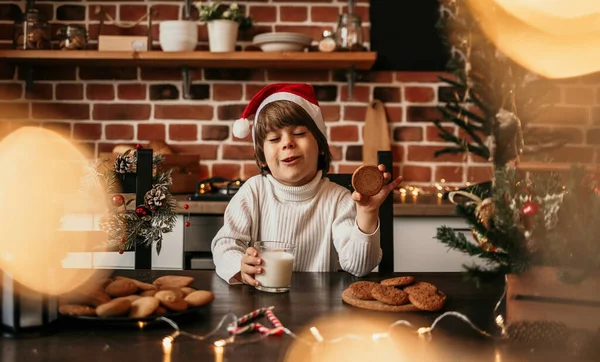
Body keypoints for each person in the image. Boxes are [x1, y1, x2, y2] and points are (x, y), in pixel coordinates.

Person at [211, 83, 402, 285]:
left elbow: (359, 267)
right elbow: (225, 244)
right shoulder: (253, 192)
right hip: (263, 302)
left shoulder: (339, 200)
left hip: (320, 310)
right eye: (275, 138)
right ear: (263, 158)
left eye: (299, 133)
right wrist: (240, 265)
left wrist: (367, 213)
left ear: (320, 145)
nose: (287, 143)